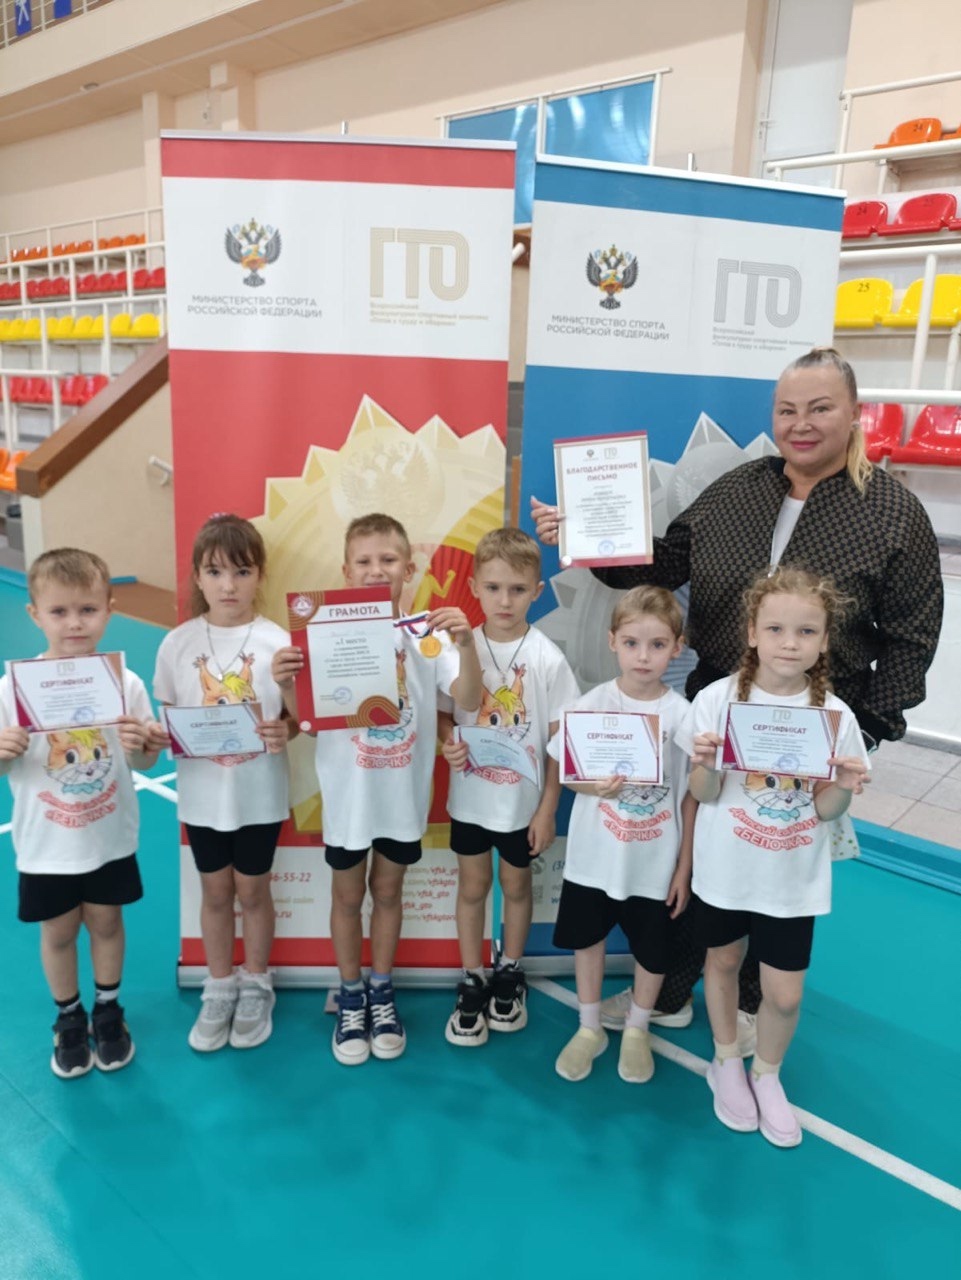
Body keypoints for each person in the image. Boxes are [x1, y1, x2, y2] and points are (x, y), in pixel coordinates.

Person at [531, 347, 943, 1041]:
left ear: (853, 413)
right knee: (700, 858)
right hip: (719, 712)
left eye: (819, 408)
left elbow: (913, 634)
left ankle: (751, 1002)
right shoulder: (739, 488)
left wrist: (867, 728)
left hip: (811, 729)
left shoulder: (892, 513)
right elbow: (664, 560)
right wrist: (588, 538)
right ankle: (672, 991)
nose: (801, 424)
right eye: (787, 410)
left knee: (777, 865)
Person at [272, 513, 482, 1066]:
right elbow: (307, 723)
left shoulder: (426, 635)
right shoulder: (322, 634)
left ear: (409, 570)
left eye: (388, 560)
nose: (375, 570)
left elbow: (467, 697)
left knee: (388, 894)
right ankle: (350, 994)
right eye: (363, 561)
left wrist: (466, 643)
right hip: (349, 801)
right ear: (346, 571)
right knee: (346, 898)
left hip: (400, 801)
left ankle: (381, 991)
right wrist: (287, 683)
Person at [679, 565, 869, 1147]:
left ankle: (767, 1073)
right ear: (752, 633)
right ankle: (725, 1061)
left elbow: (827, 810)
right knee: (722, 963)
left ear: (825, 641)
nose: (790, 643)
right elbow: (705, 793)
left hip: (791, 878)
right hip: (727, 868)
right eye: (777, 629)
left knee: (784, 994)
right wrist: (704, 764)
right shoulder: (715, 700)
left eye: (806, 632)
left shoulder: (835, 715)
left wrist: (844, 784)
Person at [0, 549, 158, 1077]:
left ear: (109, 609)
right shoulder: (11, 690)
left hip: (108, 836)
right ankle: (69, 1018)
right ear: (35, 614)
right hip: (46, 843)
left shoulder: (126, 683)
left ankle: (108, 1010)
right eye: (60, 611)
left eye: (87, 609)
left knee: (107, 922)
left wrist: (143, 744)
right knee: (59, 931)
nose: (74, 623)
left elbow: (143, 759)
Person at [151, 515, 294, 1053]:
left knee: (253, 891)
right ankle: (218, 985)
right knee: (214, 892)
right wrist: (162, 733)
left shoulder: (277, 642)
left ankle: (256, 982)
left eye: (241, 571)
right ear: (197, 576)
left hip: (258, 794)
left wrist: (285, 730)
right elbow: (168, 715)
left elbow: (295, 719)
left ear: (260, 575)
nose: (228, 585)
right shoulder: (178, 644)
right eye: (214, 572)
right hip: (203, 796)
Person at [546, 586, 695, 1084]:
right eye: (632, 643)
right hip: (595, 857)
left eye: (657, 645)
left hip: (655, 861)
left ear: (677, 647)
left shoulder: (683, 715)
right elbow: (568, 774)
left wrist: (684, 866)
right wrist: (594, 786)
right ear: (613, 642)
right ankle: (589, 1025)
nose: (643, 656)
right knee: (587, 940)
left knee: (652, 950)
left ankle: (636, 1028)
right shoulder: (591, 704)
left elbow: (691, 796)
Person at [440, 527, 580, 1046]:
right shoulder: (458, 648)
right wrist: (448, 739)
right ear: (474, 587)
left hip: (522, 807)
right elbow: (444, 712)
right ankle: (472, 976)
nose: (505, 600)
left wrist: (547, 808)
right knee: (472, 887)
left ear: (537, 592)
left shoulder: (547, 657)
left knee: (517, 888)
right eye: (494, 587)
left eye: (517, 589)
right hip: (469, 800)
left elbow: (559, 741)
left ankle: (510, 971)